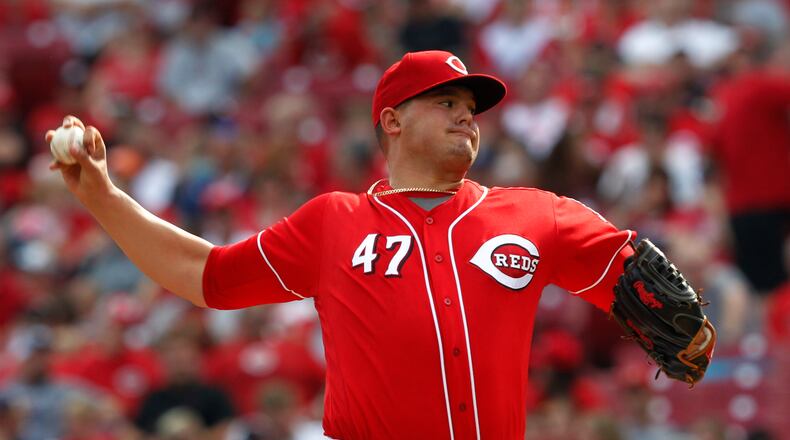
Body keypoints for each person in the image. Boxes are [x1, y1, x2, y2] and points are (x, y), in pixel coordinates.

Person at [48, 50, 705, 440]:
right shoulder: (332, 222)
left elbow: (634, 273)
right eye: (445, 100)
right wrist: (104, 198)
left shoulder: (539, 216)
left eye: (470, 106)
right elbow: (207, 276)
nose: (464, 114)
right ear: (392, 120)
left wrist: (687, 326)